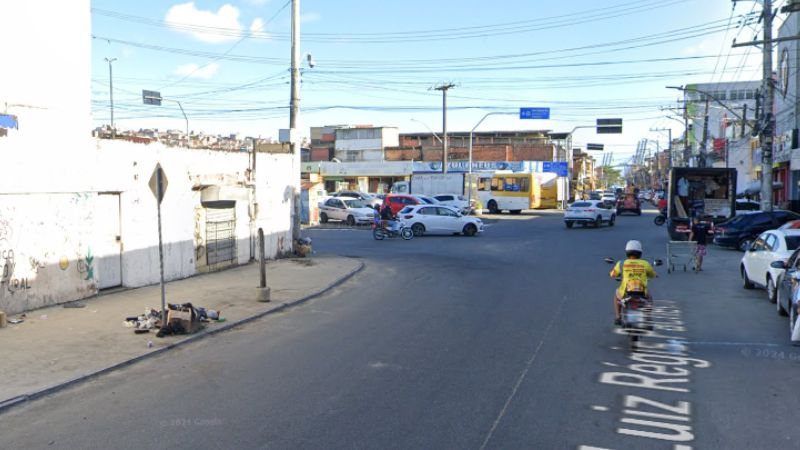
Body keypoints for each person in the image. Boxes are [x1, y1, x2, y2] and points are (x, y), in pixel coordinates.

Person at [609, 240, 658, 326]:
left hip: (625, 292)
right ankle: (648, 317)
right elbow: (653, 275)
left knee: (617, 295)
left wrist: (613, 274)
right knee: (649, 299)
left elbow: (613, 274)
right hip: (642, 292)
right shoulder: (645, 263)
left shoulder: (621, 263)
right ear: (640, 253)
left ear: (627, 252)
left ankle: (618, 317)